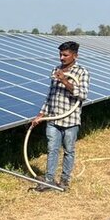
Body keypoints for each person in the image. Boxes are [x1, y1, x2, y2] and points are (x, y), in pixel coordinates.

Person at [30, 41, 90, 191]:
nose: (61, 58)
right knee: (52, 149)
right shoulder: (55, 70)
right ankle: (49, 180)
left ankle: (64, 181)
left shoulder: (82, 72)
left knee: (69, 151)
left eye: (65, 55)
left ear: (75, 55)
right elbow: (50, 96)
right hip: (53, 118)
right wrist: (41, 115)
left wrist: (64, 80)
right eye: (60, 54)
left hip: (71, 120)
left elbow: (82, 95)